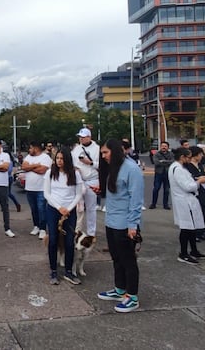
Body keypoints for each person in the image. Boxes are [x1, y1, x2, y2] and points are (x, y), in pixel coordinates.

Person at [96, 138, 143, 313]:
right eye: (102, 153)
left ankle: (132, 296)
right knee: (116, 258)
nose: (103, 156)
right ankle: (120, 289)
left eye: (105, 152)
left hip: (125, 223)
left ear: (115, 151)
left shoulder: (132, 169)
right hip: (111, 220)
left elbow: (136, 199)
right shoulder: (113, 168)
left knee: (128, 260)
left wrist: (133, 225)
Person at [43, 147, 83, 285]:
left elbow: (78, 194)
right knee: (53, 239)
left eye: (62, 159)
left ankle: (68, 271)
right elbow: (46, 193)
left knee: (69, 241)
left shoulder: (75, 174)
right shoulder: (50, 173)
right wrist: (59, 207)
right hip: (54, 209)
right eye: (57, 158)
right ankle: (53, 270)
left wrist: (68, 209)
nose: (59, 161)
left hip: (69, 211)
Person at [168, 147, 205, 265]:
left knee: (192, 228)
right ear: (182, 157)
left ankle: (194, 250)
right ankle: (183, 253)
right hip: (184, 201)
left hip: (187, 200)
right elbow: (187, 186)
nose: (190, 160)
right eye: (188, 158)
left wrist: (196, 179)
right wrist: (199, 182)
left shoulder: (179, 168)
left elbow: (186, 182)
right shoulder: (177, 169)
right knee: (186, 228)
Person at [71, 127, 100, 235]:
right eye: (80, 137)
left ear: (89, 137)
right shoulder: (76, 149)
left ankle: (91, 232)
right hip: (79, 180)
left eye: (83, 137)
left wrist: (90, 163)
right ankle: (77, 230)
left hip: (92, 180)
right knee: (78, 208)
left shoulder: (97, 149)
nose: (81, 139)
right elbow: (72, 163)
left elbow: (102, 165)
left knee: (91, 208)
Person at [22, 142, 51, 239]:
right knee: (33, 209)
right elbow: (24, 167)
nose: (29, 150)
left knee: (41, 209)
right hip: (30, 188)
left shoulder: (45, 157)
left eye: (30, 148)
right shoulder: (28, 157)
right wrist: (35, 165)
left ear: (36, 148)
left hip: (41, 188)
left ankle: (43, 229)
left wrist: (30, 167)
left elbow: (42, 170)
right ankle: (36, 226)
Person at [185, 146, 205, 242]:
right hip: (194, 192)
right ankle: (195, 233)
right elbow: (194, 177)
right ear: (195, 155)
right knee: (195, 213)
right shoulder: (188, 166)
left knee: (204, 212)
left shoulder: (199, 164)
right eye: (200, 154)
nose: (201, 156)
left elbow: (201, 175)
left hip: (202, 190)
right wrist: (202, 175)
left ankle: (202, 232)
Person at [150, 141, 173, 209]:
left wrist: (163, 161)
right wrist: (167, 162)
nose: (163, 147)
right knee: (156, 189)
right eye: (162, 146)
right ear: (160, 146)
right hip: (158, 173)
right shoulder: (156, 154)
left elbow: (172, 161)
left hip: (167, 173)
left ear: (168, 147)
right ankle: (153, 204)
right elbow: (156, 162)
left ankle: (165, 205)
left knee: (166, 190)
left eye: (165, 146)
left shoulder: (171, 154)